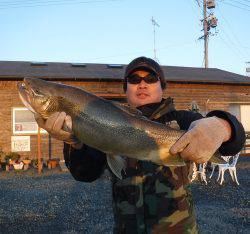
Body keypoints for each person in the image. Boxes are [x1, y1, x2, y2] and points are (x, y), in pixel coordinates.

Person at [36, 56, 245, 233]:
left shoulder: (182, 120)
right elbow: (85, 174)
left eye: (151, 78)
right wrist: (73, 142)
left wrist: (223, 125)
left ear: (162, 86)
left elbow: (234, 143)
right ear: (126, 88)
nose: (142, 84)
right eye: (134, 79)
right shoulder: (104, 123)